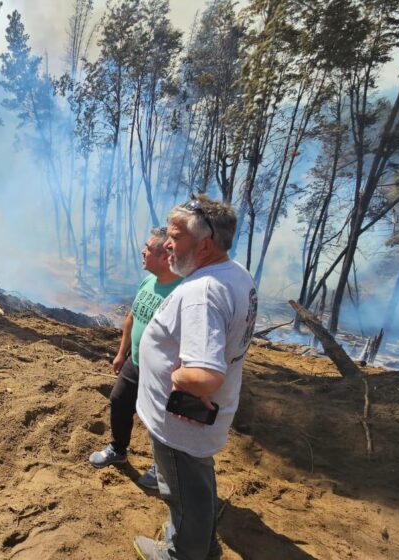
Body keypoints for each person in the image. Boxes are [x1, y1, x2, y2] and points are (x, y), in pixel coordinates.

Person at [132, 195, 257, 560]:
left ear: (204, 245)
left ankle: (180, 554)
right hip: (200, 420)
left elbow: (204, 376)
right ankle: (202, 545)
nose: (167, 244)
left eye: (176, 237)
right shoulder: (235, 274)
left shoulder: (202, 293)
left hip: (181, 421)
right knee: (196, 485)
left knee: (181, 490)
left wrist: (180, 377)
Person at [89, 227, 181, 491]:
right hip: (136, 360)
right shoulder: (148, 282)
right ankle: (118, 449)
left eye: (148, 248)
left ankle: (160, 469)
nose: (142, 251)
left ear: (165, 256)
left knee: (158, 420)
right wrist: (121, 353)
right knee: (119, 401)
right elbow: (132, 317)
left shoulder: (181, 291)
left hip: (162, 370)